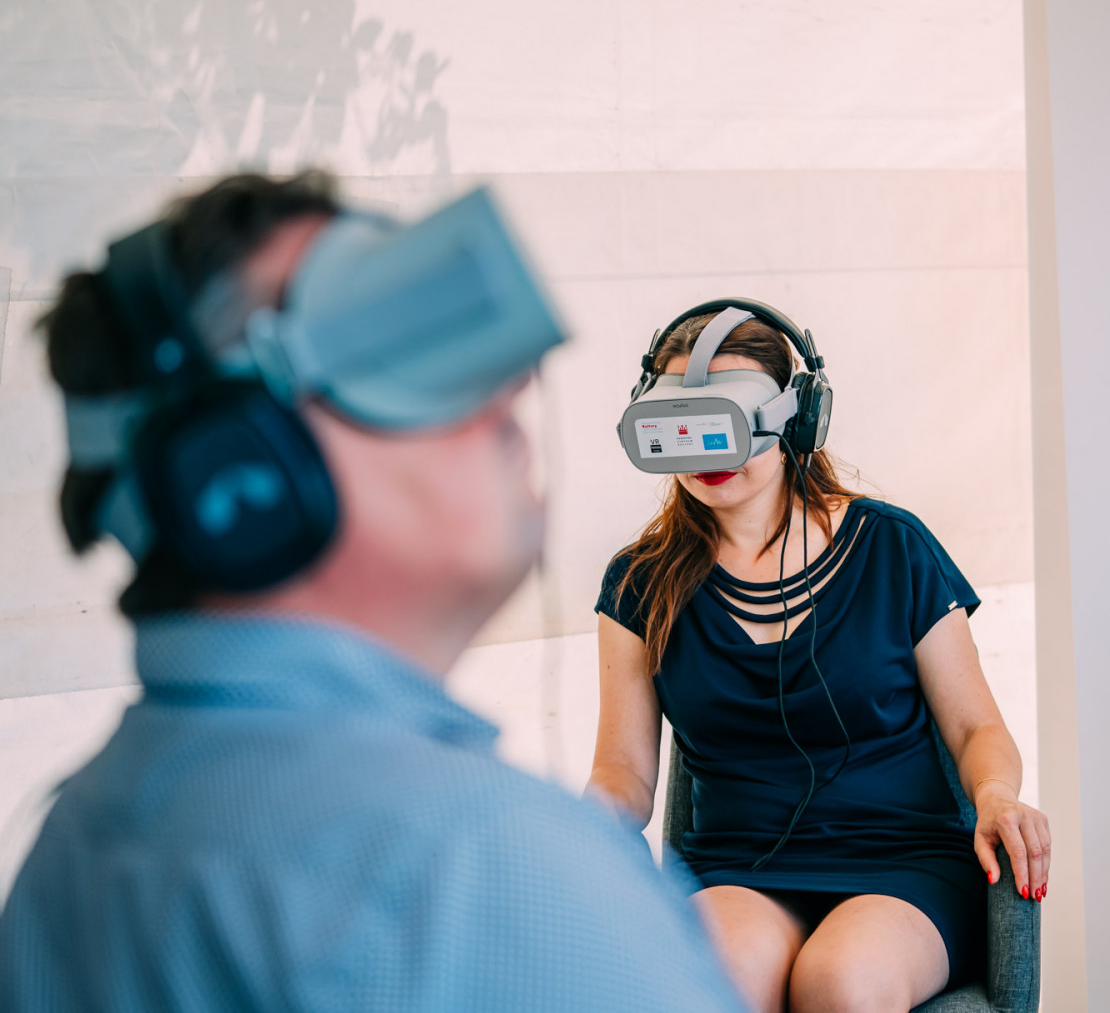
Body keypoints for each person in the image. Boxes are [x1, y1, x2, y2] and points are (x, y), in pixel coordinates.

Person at [0, 172, 744, 1013]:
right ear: (237, 471)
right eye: (386, 355)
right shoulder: (482, 874)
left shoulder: (72, 847)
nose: (504, 383)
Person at [588, 305, 1051, 1013]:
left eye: (731, 423)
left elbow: (974, 727)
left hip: (902, 866)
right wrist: (565, 829)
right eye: (683, 425)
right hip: (736, 870)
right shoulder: (638, 584)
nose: (709, 452)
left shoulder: (893, 547)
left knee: (841, 981)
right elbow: (622, 772)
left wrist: (994, 794)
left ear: (799, 420)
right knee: (715, 978)